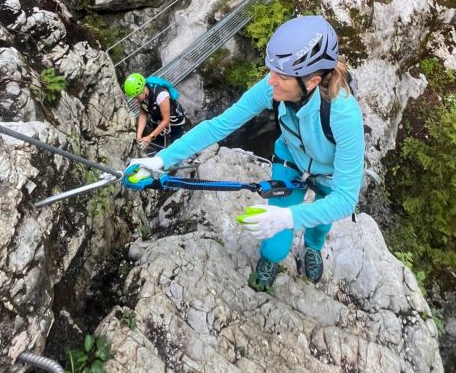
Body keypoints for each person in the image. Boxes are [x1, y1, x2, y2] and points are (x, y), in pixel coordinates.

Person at [124, 15, 365, 292]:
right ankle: (271, 260)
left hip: (328, 173)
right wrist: (162, 159)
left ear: (310, 82)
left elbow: (345, 198)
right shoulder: (272, 88)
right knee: (275, 243)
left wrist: (289, 217)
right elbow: (220, 125)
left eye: (281, 76)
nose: (270, 81)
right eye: (272, 70)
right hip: (292, 158)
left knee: (320, 224)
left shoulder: (343, 115)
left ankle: (312, 248)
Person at [123, 73, 186, 152]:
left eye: (136, 97)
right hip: (156, 117)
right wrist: (139, 135)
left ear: (142, 90)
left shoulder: (161, 94)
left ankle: (180, 158)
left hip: (174, 119)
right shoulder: (140, 97)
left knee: (176, 143)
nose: (135, 100)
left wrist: (150, 137)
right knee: (159, 144)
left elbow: (166, 120)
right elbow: (143, 115)